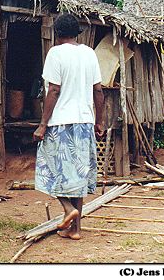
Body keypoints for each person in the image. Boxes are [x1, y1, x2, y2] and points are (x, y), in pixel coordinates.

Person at [33, 13, 105, 240]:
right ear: (76, 33)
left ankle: (67, 209)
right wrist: (99, 120)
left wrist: (42, 124)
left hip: (61, 123)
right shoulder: (89, 53)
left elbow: (53, 90)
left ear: (57, 34)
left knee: (49, 168)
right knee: (78, 176)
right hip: (85, 122)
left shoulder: (55, 53)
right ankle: (75, 230)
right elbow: (99, 91)